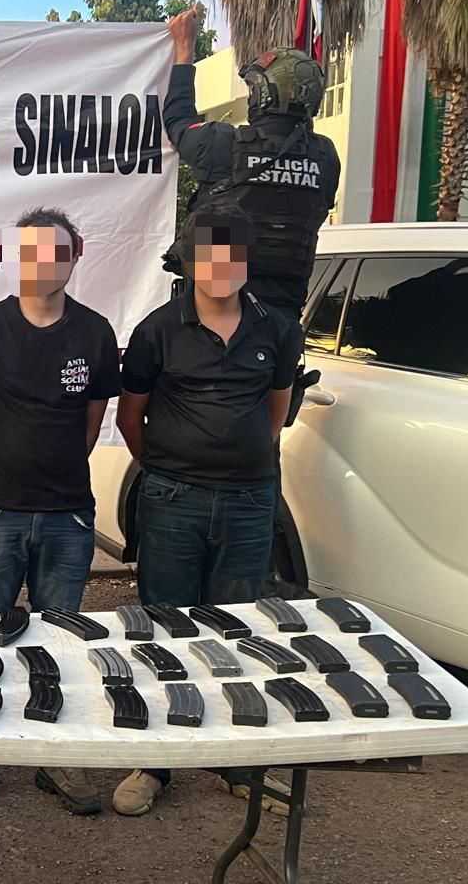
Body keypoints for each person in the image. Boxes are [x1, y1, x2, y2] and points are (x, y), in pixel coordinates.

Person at [112, 202, 300, 817]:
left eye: (232, 253)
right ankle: (158, 761)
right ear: (190, 261)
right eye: (208, 253)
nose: (220, 265)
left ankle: (233, 761)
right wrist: (170, 467)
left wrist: (239, 462)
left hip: (249, 503)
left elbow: (275, 412)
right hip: (173, 501)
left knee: (237, 629)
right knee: (165, 628)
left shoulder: (277, 329)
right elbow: (131, 416)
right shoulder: (157, 331)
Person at [0, 207, 121, 813]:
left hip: (68, 514)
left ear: (75, 256)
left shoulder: (95, 333)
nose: (44, 263)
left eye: (56, 252)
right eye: (32, 252)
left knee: (60, 639)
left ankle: (55, 755)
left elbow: (92, 421)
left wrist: (54, 474)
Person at [163, 6, 340, 323]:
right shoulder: (325, 158)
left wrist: (184, 49)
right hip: (282, 324)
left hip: (214, 319)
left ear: (264, 95)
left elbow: (177, 121)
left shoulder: (223, 145)